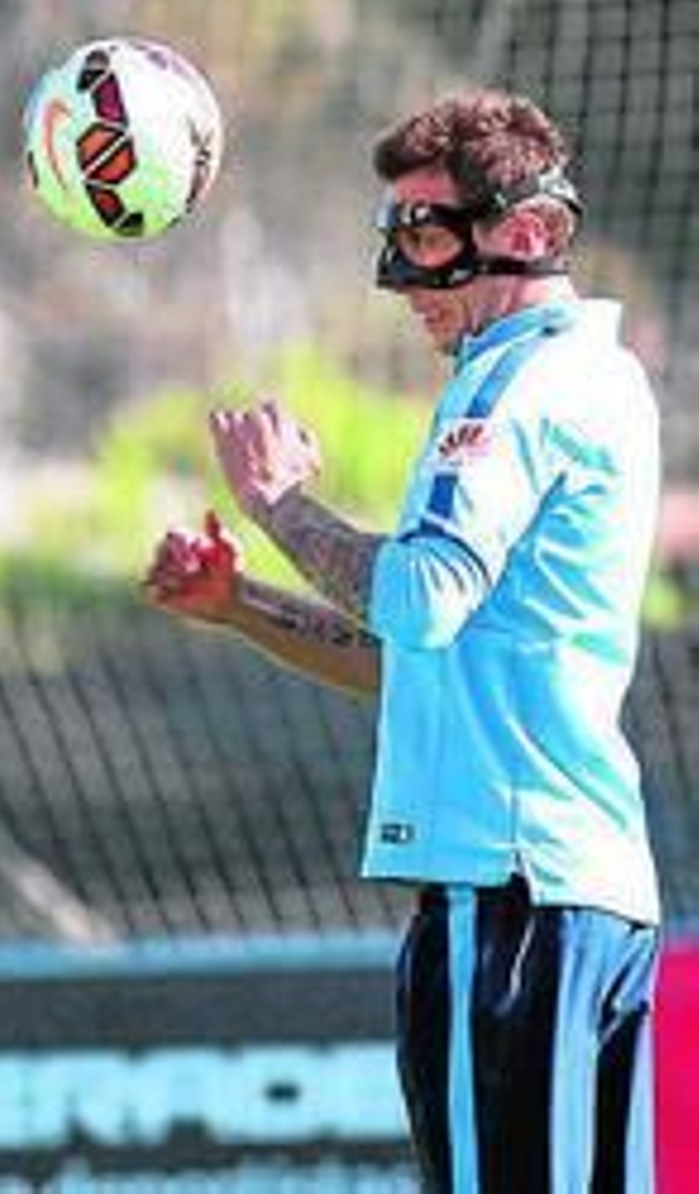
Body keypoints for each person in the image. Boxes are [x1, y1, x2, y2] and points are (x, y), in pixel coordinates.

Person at [143, 89, 661, 1191]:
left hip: (508, 901)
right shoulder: (588, 376)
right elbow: (411, 661)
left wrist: (281, 506)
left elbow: (418, 598)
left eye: (424, 235)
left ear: (523, 233)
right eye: (395, 236)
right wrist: (242, 608)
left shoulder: (518, 382)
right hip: (579, 895)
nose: (400, 278)